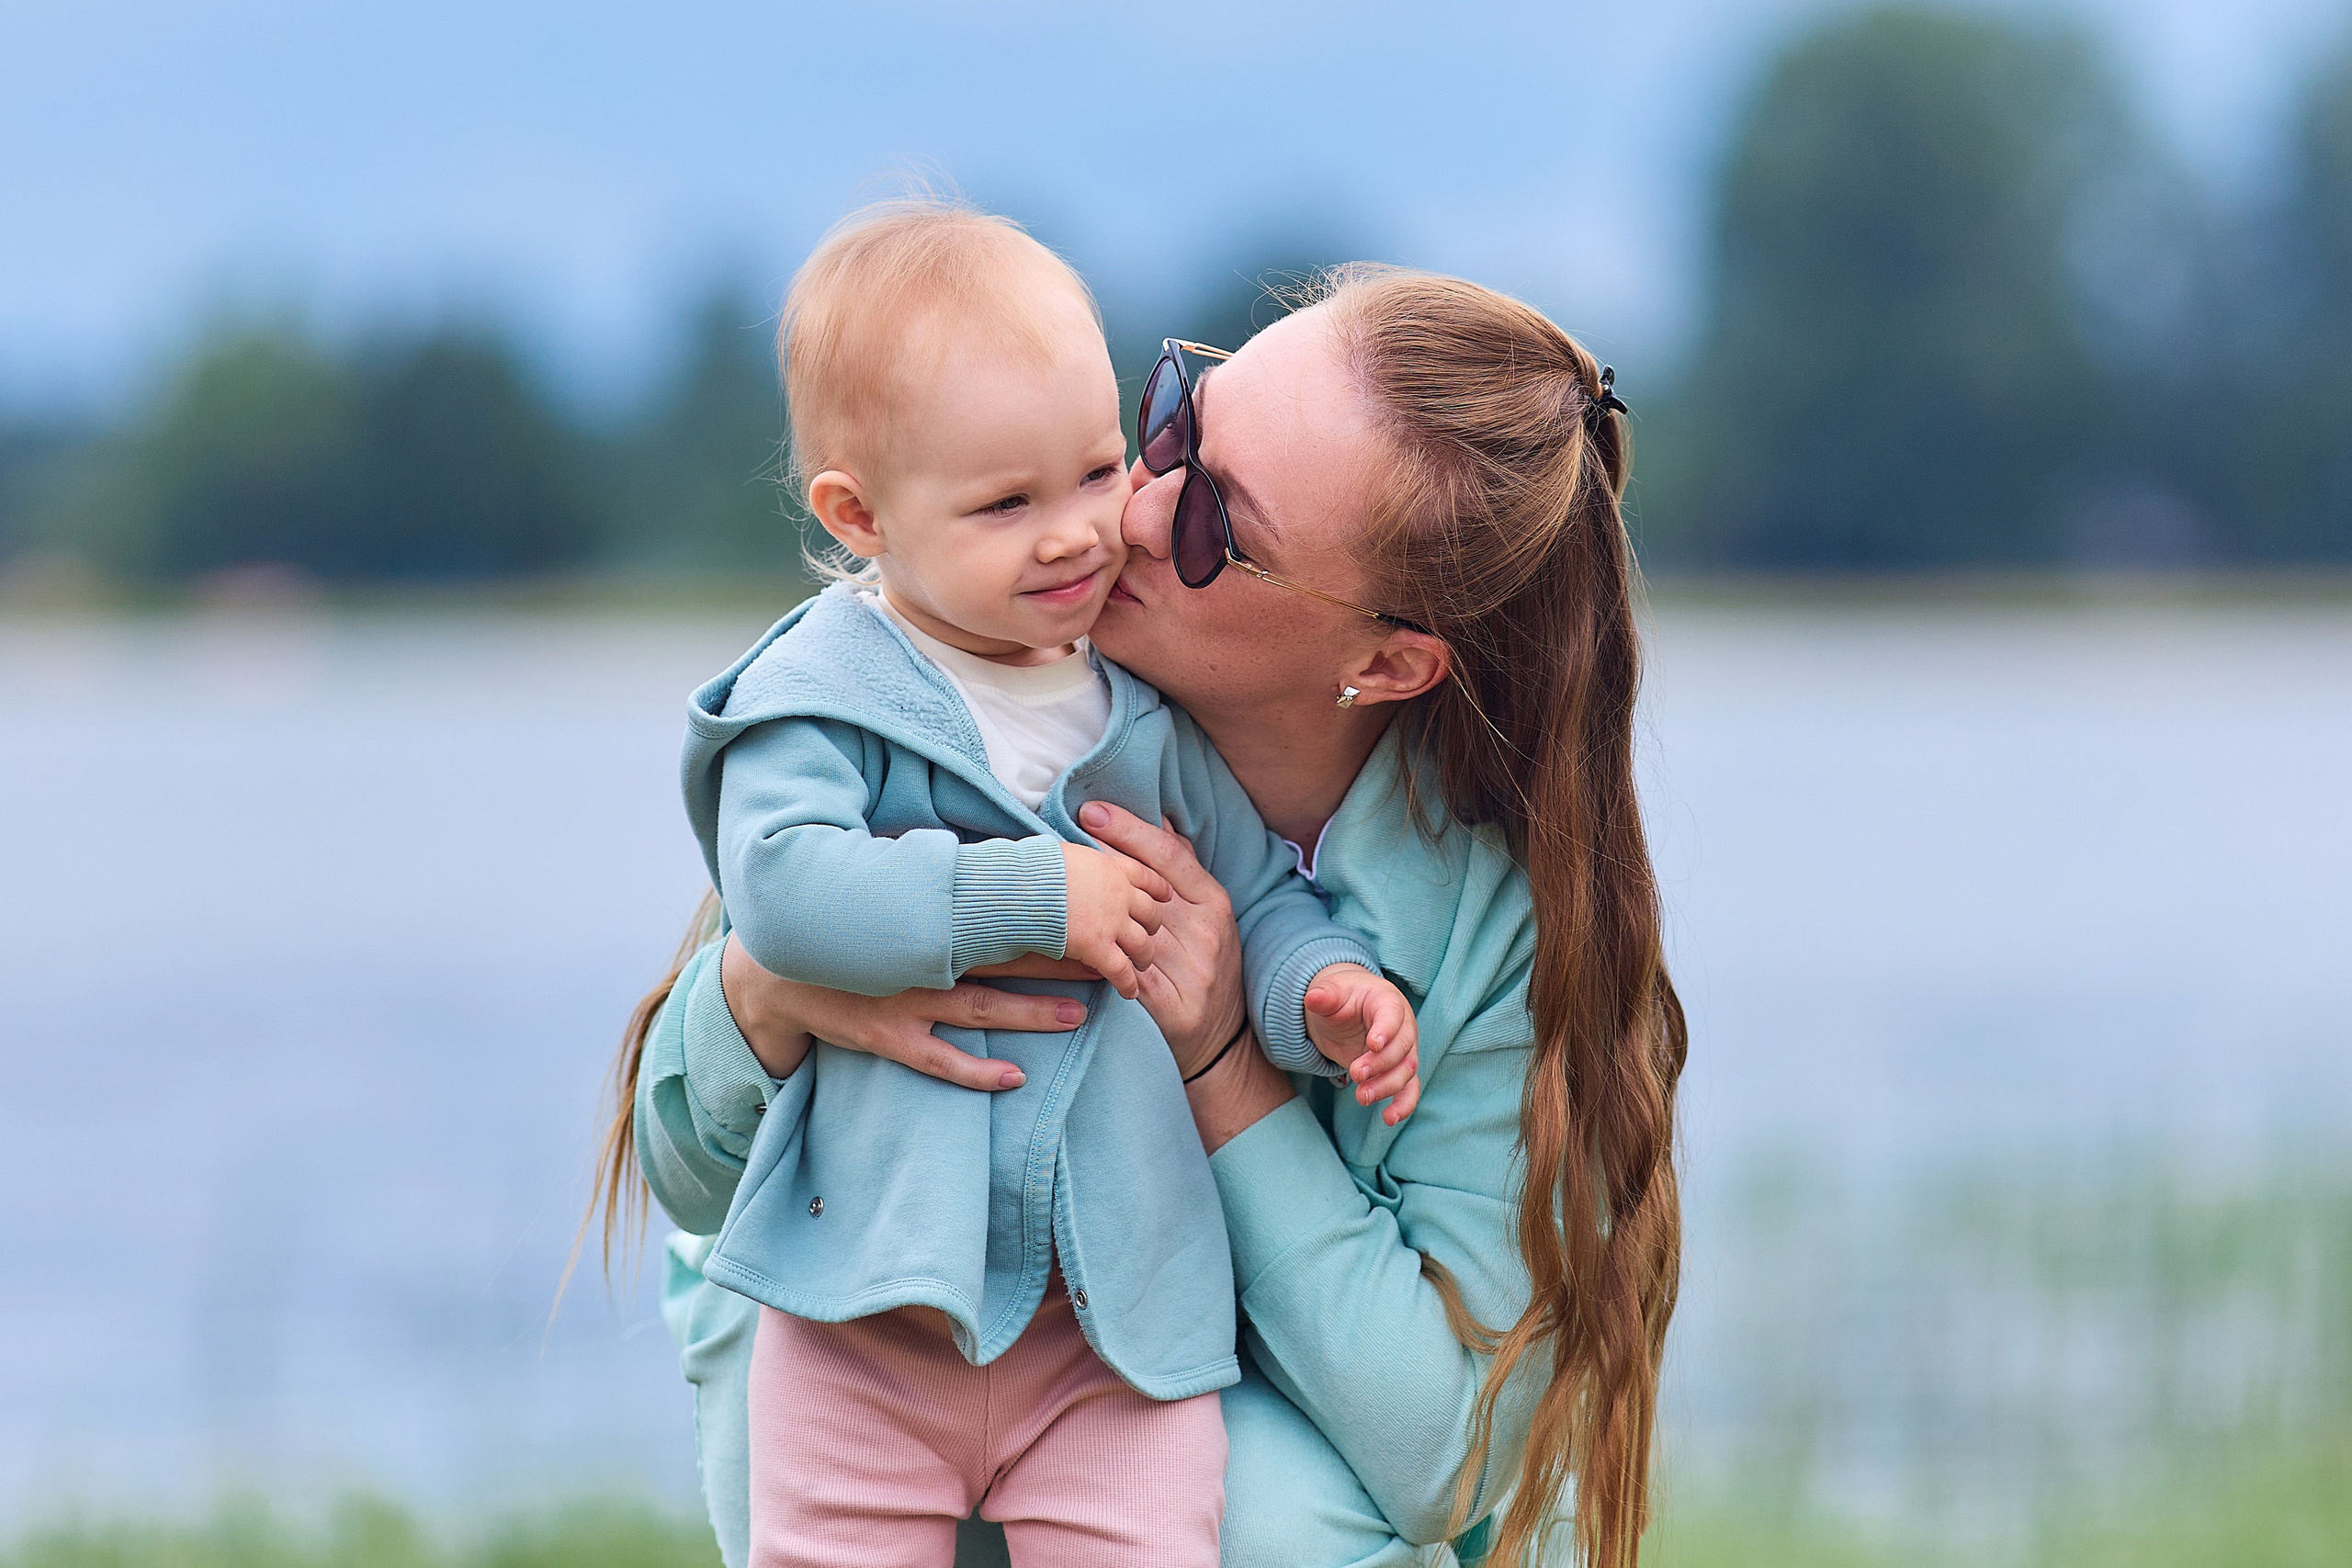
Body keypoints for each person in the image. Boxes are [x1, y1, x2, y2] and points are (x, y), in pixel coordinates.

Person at [598, 262, 1686, 1568]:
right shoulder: (945, 697)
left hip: (1241, 1488)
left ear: (1386, 662)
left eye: (1219, 523)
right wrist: (763, 998)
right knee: (778, 1332)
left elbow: (1443, 1456)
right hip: (921, 1404)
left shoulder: (1500, 927)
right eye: (1173, 425)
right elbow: (697, 1186)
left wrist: (1225, 1062)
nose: (1130, 510)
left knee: (1259, 1517)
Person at [638, 199, 1422, 1568]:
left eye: (1099, 470)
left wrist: (1319, 988)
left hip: (1116, 1324)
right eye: (1007, 505)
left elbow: (1249, 893)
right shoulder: (823, 696)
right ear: (860, 515)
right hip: (865, 1307)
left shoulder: (1135, 709)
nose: (1076, 535)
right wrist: (1036, 896)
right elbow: (782, 890)